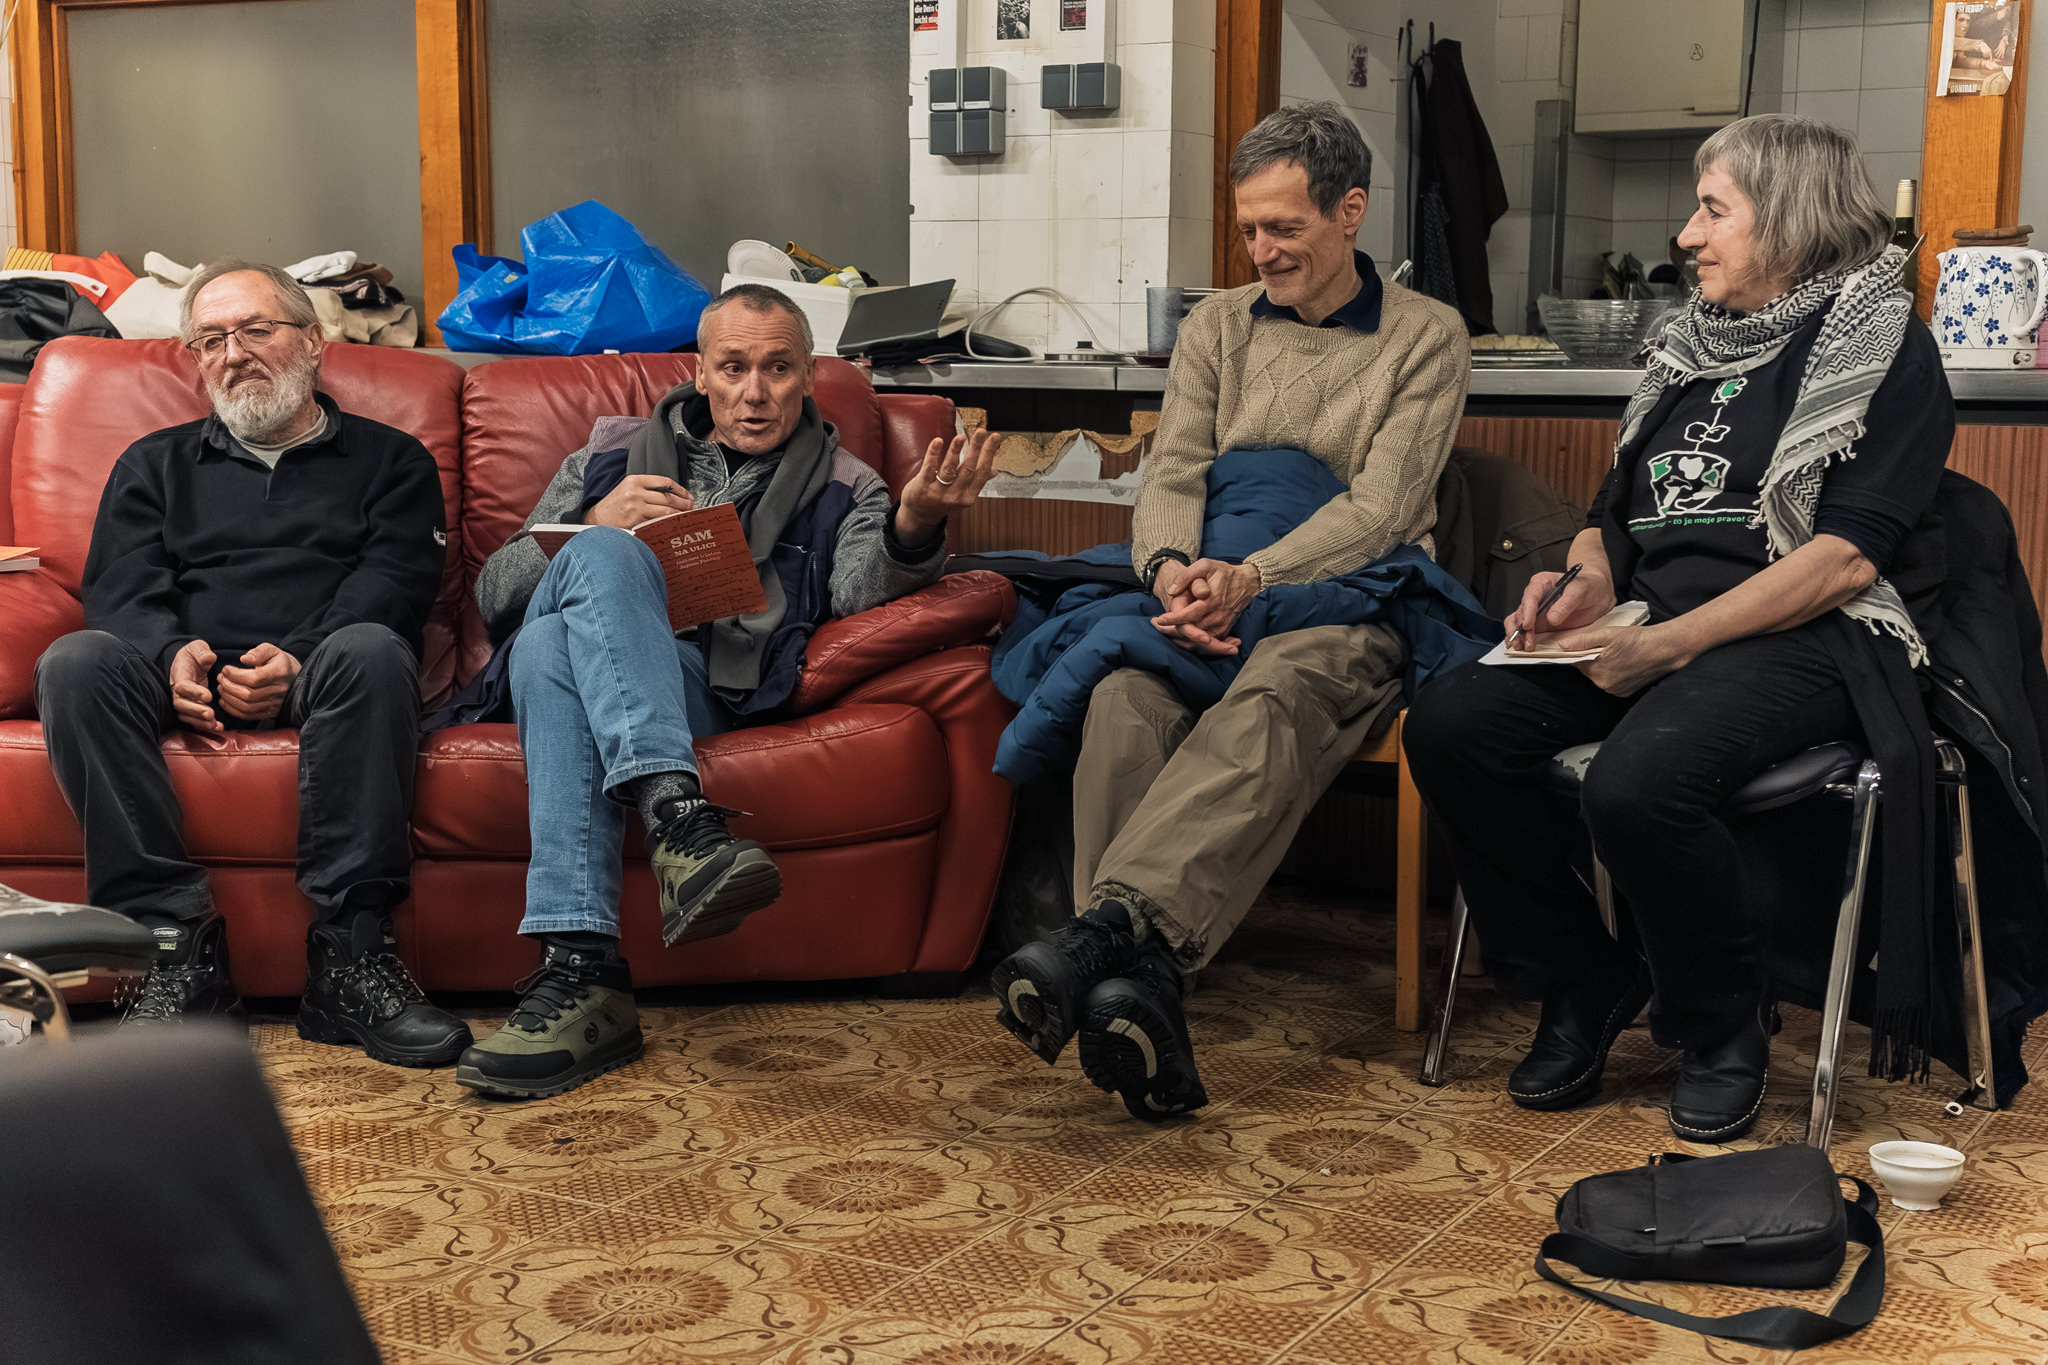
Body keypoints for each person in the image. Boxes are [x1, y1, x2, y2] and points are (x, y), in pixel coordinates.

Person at [1403, 115, 1956, 1142]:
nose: (1686, 235)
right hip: (1654, 621)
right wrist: (1582, 583)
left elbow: (1844, 559)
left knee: (1637, 781)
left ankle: (1719, 1026)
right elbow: (1611, 518)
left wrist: (1668, 644)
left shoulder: (1881, 346)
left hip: (1807, 636)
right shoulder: (1688, 347)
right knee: (1450, 726)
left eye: (1712, 210)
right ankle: (1585, 974)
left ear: (1786, 218)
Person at [986, 101, 1473, 1121]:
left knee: (1276, 692)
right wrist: (1171, 570)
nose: (1261, 251)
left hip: (1346, 591)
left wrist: (1252, 577)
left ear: (1349, 211)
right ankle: (1134, 989)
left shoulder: (1425, 336)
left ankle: (1104, 940)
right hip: (1209, 580)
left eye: (1284, 227)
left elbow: (1381, 510)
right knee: (1123, 697)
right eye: (1249, 229)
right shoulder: (1217, 325)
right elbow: (1173, 471)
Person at [457, 283, 1002, 1099]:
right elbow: (496, 593)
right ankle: (679, 820)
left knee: (549, 645)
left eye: (778, 368)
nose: (755, 392)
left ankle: (581, 974)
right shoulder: (605, 455)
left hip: (704, 685)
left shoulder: (848, 483)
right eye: (734, 367)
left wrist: (915, 523)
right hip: (594, 669)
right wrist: (599, 520)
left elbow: (858, 592)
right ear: (701, 374)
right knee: (579, 585)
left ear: (808, 376)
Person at [34, 260, 469, 1066]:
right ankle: (174, 951)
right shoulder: (152, 464)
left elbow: (394, 583)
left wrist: (297, 660)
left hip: (327, 671)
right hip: (181, 676)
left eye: (255, 329)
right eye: (211, 339)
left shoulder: (393, 461)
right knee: (74, 663)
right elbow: (120, 586)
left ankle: (352, 956)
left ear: (313, 340)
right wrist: (170, 655)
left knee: (374, 649)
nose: (232, 353)